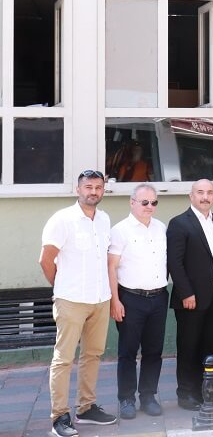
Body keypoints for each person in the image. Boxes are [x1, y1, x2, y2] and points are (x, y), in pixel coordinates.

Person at [39, 170, 118, 436]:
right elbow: (45, 260)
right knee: (63, 359)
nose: (93, 192)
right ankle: (59, 416)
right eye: (88, 187)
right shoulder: (62, 219)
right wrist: (61, 286)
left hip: (100, 299)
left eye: (98, 187)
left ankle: (86, 408)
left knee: (92, 355)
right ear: (78, 189)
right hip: (71, 300)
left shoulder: (104, 219)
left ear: (103, 190)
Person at [167, 179, 213, 411]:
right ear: (191, 196)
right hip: (191, 299)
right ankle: (186, 394)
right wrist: (186, 293)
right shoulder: (179, 223)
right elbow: (175, 263)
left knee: (209, 347)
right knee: (189, 347)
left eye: (209, 192)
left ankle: (206, 392)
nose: (205, 197)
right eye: (200, 192)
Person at [107, 184, 168, 420]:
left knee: (154, 351)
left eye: (154, 202)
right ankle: (126, 399)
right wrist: (115, 300)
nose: (149, 206)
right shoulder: (120, 230)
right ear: (132, 202)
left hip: (158, 297)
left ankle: (148, 396)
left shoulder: (161, 228)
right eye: (145, 202)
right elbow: (111, 267)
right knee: (128, 352)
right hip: (130, 298)